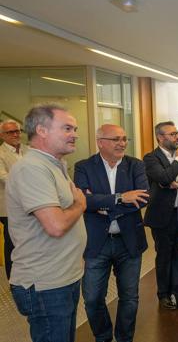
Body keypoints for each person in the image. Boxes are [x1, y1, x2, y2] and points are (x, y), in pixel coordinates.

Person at [6, 104, 87, 342]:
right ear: (41, 131)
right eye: (67, 128)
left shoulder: (55, 164)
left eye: (75, 128)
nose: (75, 134)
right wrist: (80, 205)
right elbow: (56, 226)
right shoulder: (32, 168)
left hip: (63, 277)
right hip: (46, 285)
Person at [74, 124, 150, 342]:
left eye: (124, 138)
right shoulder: (84, 166)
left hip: (129, 242)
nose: (122, 143)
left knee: (130, 297)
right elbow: (83, 200)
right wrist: (120, 198)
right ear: (100, 142)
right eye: (116, 139)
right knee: (92, 298)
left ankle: (125, 339)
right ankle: (104, 337)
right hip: (97, 243)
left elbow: (143, 198)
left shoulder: (135, 165)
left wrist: (100, 202)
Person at [143, 121, 178, 313]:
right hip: (162, 216)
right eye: (172, 134)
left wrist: (173, 178)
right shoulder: (150, 158)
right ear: (160, 138)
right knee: (164, 256)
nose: (176, 137)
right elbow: (163, 178)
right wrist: (177, 164)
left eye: (176, 134)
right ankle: (164, 294)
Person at [0, 119, 26, 279]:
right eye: (11, 132)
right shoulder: (1, 154)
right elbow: (5, 178)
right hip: (9, 207)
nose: (16, 134)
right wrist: (32, 185)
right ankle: (13, 279)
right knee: (12, 243)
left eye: (18, 130)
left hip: (29, 204)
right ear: (2, 135)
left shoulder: (28, 150)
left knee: (27, 241)